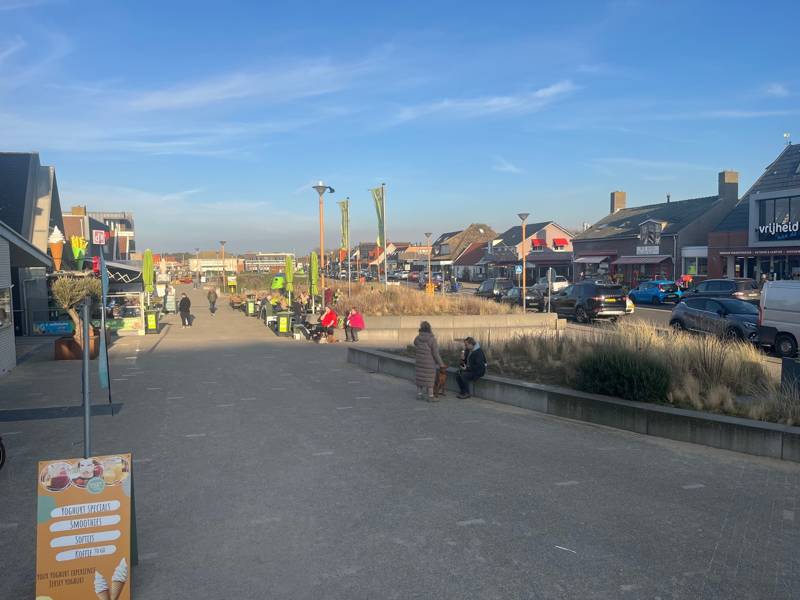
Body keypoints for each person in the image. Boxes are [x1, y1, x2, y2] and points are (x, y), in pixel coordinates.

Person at [414, 321, 445, 401]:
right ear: (429, 329)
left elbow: (415, 343)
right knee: (430, 379)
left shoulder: (417, 338)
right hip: (429, 363)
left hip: (419, 362)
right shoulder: (432, 339)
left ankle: (419, 394)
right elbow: (436, 354)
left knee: (420, 377)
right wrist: (441, 364)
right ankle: (430, 396)